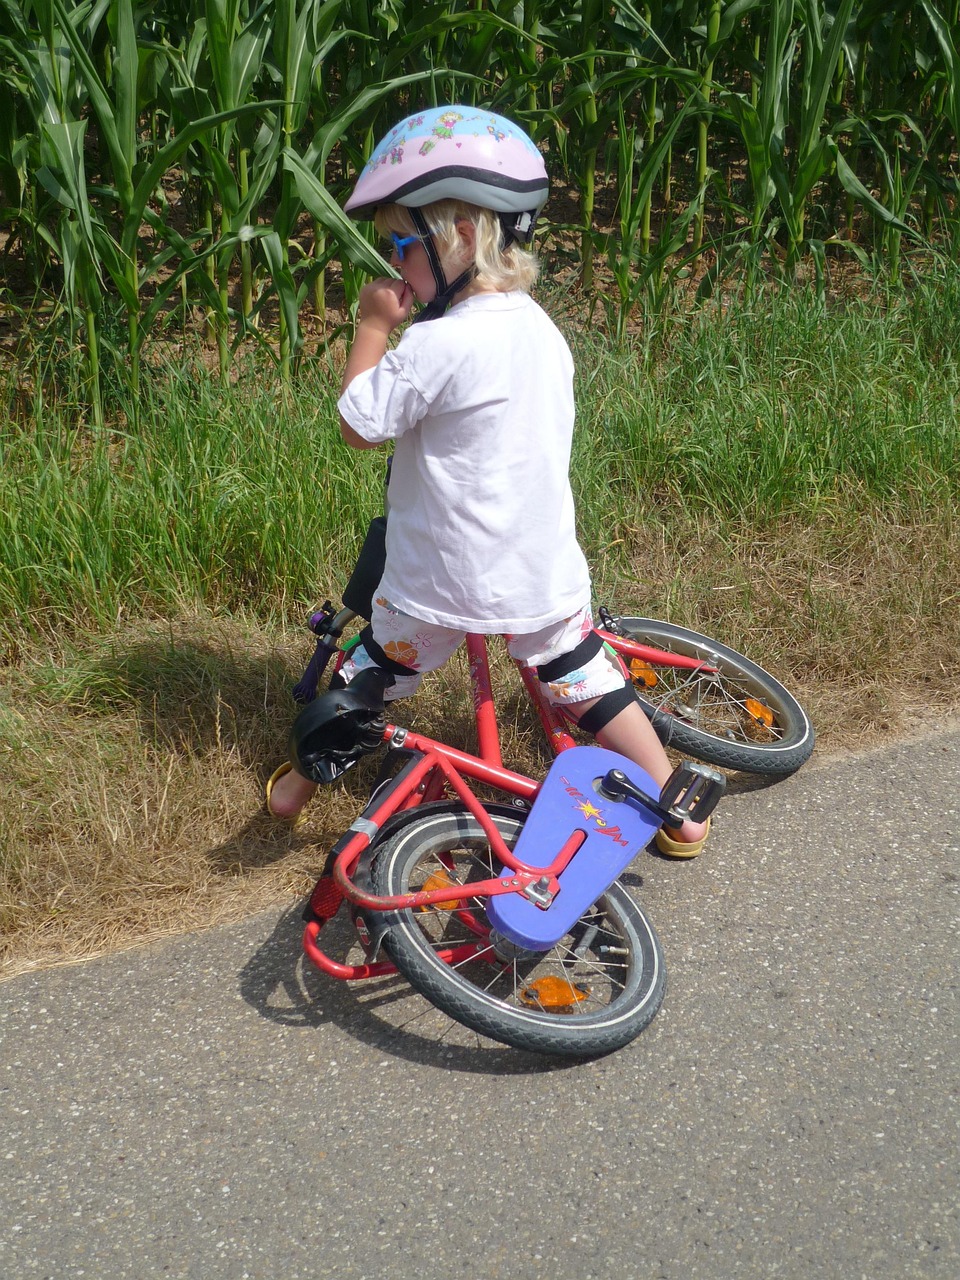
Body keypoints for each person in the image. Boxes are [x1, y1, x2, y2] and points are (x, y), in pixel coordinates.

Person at [266, 104, 710, 858]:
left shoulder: (434, 344)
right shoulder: (542, 330)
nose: (395, 268)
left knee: (372, 671)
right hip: (538, 572)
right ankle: (679, 807)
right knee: (585, 678)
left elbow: (358, 426)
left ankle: (295, 790)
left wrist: (373, 326)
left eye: (403, 245)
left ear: (461, 239)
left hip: (437, 583)